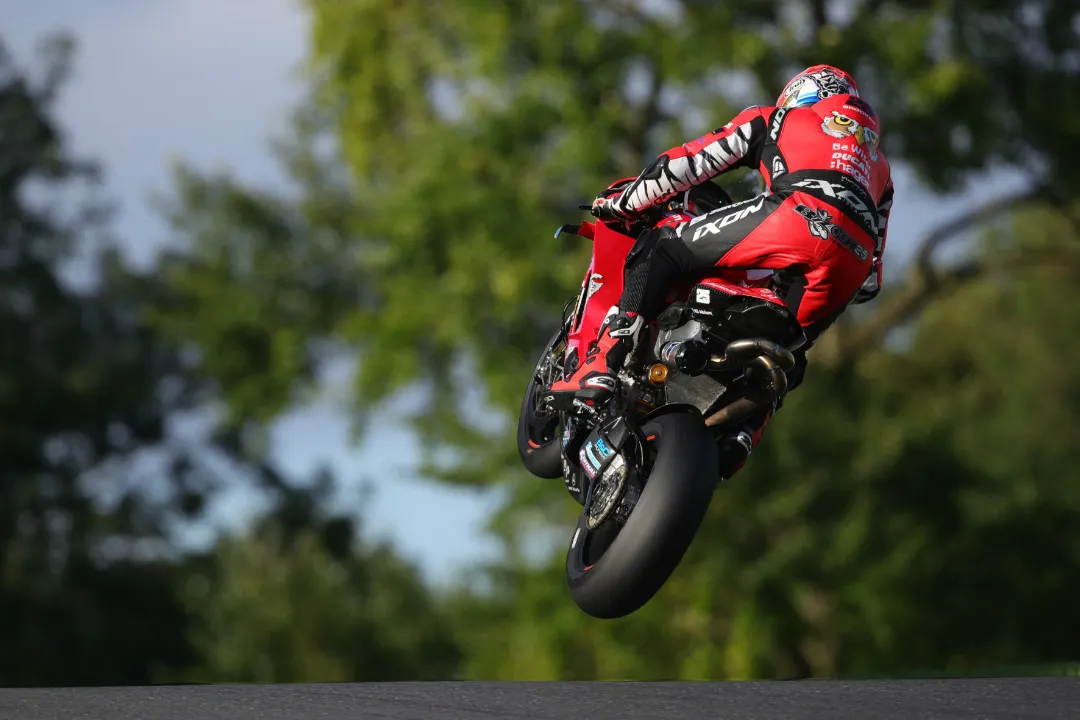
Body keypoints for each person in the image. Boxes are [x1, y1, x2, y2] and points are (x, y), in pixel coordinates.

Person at [545, 65, 895, 478]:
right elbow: (871, 280)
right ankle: (741, 436)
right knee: (788, 354)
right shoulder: (881, 169)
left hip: (796, 214)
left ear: (799, 94)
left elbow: (690, 164)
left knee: (664, 248)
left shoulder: (777, 117)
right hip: (851, 261)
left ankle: (603, 363)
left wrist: (627, 203)